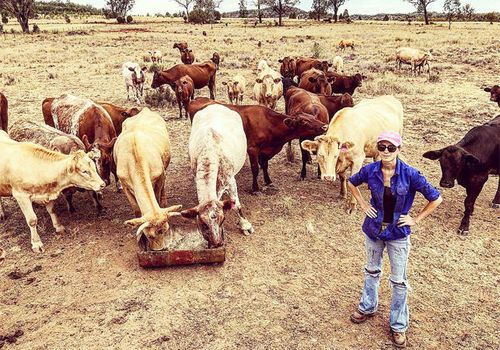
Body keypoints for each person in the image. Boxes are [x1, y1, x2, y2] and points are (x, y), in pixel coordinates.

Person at [347, 131, 442, 348]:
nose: (386, 151)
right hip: (374, 230)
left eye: (391, 148)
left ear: (399, 149)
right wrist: (362, 204)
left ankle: (398, 325)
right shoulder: (370, 170)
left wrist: (415, 219)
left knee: (399, 281)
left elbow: (436, 198)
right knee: (371, 271)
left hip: (398, 234)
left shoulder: (410, 174)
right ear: (378, 149)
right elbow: (352, 183)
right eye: (382, 147)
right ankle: (367, 307)